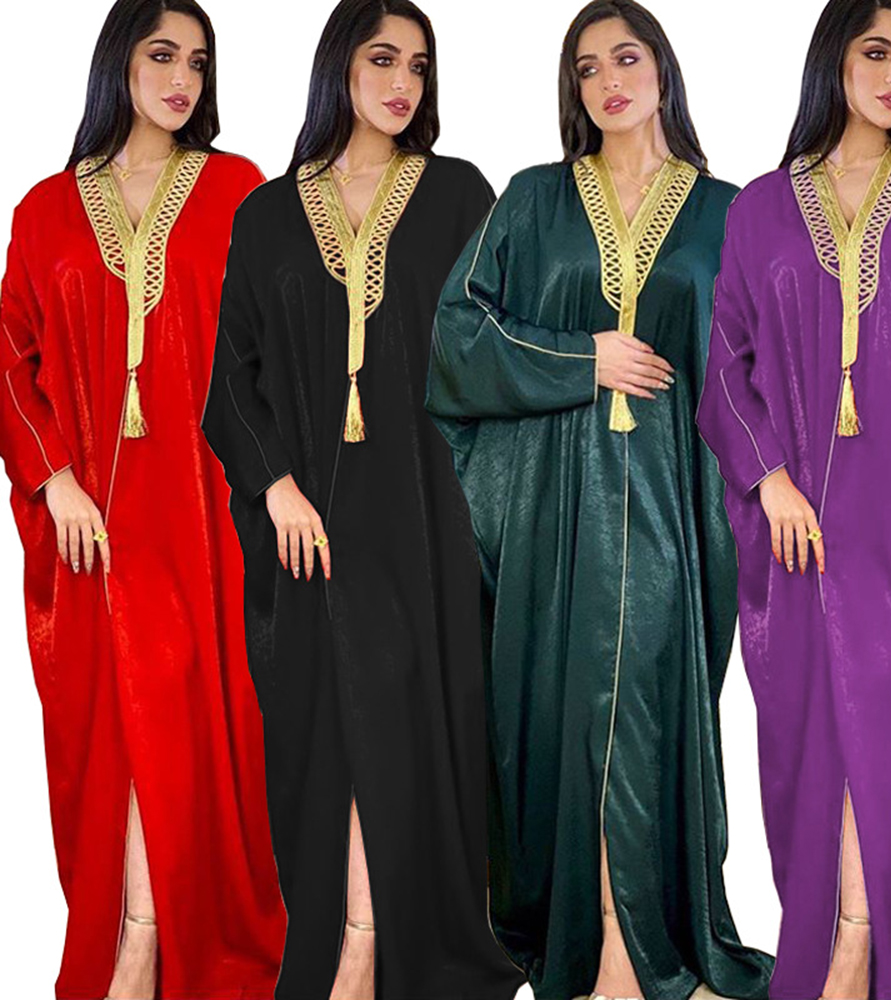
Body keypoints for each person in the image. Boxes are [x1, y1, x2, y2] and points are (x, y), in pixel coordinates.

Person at [426, 2, 774, 998]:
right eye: (587, 68)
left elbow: (758, 369)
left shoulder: (729, 214)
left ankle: (639, 944)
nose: (608, 80)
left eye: (626, 58)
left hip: (674, 510)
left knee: (644, 721)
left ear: (662, 70)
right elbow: (458, 336)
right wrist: (584, 359)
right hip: (554, 511)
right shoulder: (533, 200)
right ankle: (599, 950)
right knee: (566, 718)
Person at [201, 2, 524, 998]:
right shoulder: (266, 214)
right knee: (324, 728)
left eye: (419, 67)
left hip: (428, 517)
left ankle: (368, 944)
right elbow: (230, 381)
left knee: (407, 724)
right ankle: (348, 934)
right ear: (339, 64)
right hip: (309, 524)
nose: (402, 84)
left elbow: (497, 346)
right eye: (383, 59)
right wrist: (276, 487)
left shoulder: (460, 194)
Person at [696, 1, 891, 997]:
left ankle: (861, 942)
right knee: (817, 730)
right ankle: (840, 932)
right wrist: (769, 476)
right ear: (834, 59)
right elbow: (725, 363)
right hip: (802, 527)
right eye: (876, 52)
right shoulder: (760, 209)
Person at [0, 1, 285, 997]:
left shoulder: (239, 189)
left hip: (208, 511)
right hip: (92, 518)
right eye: (163, 55)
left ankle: (151, 939)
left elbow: (276, 345)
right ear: (118, 60)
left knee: (196, 723)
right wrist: (53, 477)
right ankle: (135, 932)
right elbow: (10, 356)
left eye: (198, 62)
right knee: (113, 725)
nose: (181, 79)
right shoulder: (44, 208)